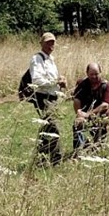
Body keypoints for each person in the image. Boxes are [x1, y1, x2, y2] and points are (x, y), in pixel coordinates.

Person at [29, 32, 67, 166]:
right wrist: (56, 81)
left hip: (52, 97)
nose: (51, 45)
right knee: (53, 126)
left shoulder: (51, 59)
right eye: (48, 42)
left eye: (53, 42)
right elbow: (37, 80)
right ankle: (56, 159)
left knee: (47, 127)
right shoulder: (37, 59)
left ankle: (41, 158)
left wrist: (60, 83)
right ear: (42, 44)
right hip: (42, 97)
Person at [72, 63, 109, 155]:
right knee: (77, 124)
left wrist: (88, 114)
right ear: (87, 73)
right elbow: (76, 99)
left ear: (100, 72)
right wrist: (79, 113)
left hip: (101, 117)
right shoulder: (81, 83)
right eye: (92, 74)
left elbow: (105, 105)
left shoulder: (107, 86)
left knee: (99, 148)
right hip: (84, 115)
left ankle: (97, 148)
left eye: (96, 74)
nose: (94, 76)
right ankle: (78, 151)